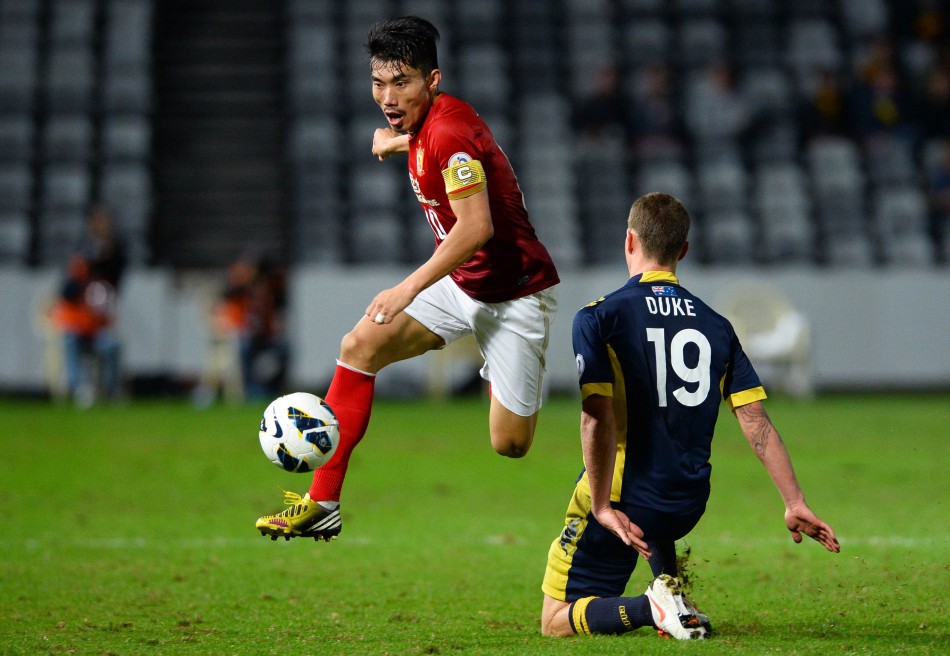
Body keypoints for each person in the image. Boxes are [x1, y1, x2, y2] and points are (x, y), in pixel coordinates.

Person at [256, 16, 559, 541]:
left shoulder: (447, 133)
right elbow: (427, 144)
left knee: (510, 445)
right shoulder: (427, 128)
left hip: (515, 295)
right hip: (464, 284)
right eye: (379, 83)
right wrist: (397, 144)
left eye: (402, 83)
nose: (388, 97)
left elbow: (477, 227)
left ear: (432, 80)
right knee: (360, 345)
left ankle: (500, 367)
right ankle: (321, 502)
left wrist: (407, 287)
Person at [540, 193, 839, 640]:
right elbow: (755, 419)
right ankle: (671, 591)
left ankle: (650, 607)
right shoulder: (717, 325)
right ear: (683, 250)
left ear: (629, 241)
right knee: (660, 468)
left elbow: (596, 417)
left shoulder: (599, 316)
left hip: (626, 498)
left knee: (554, 621)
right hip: (686, 502)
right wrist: (794, 502)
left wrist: (601, 505)